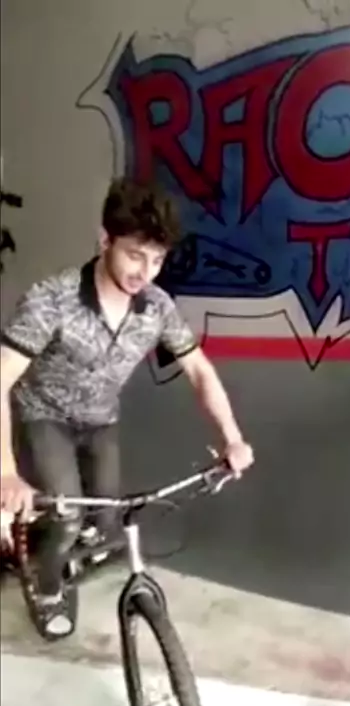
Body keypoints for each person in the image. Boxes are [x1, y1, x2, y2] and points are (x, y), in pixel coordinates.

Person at [0, 177, 254, 640]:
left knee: (108, 518)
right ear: (105, 240)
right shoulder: (51, 300)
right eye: (135, 255)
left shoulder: (156, 307)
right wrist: (6, 473)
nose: (146, 272)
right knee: (66, 517)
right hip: (44, 417)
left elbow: (199, 370)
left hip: (100, 420)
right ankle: (48, 585)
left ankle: (63, 539)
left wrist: (232, 438)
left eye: (157, 260)